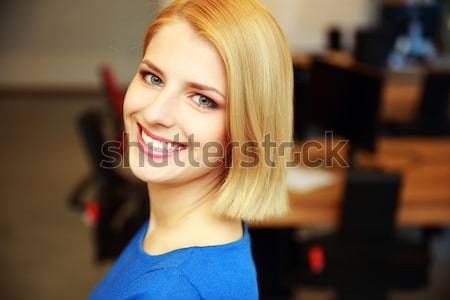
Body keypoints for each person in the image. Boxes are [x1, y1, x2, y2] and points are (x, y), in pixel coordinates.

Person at [88, 0, 293, 299]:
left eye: (202, 99)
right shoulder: (174, 226)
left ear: (248, 131)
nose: (156, 113)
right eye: (153, 78)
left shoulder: (172, 288)